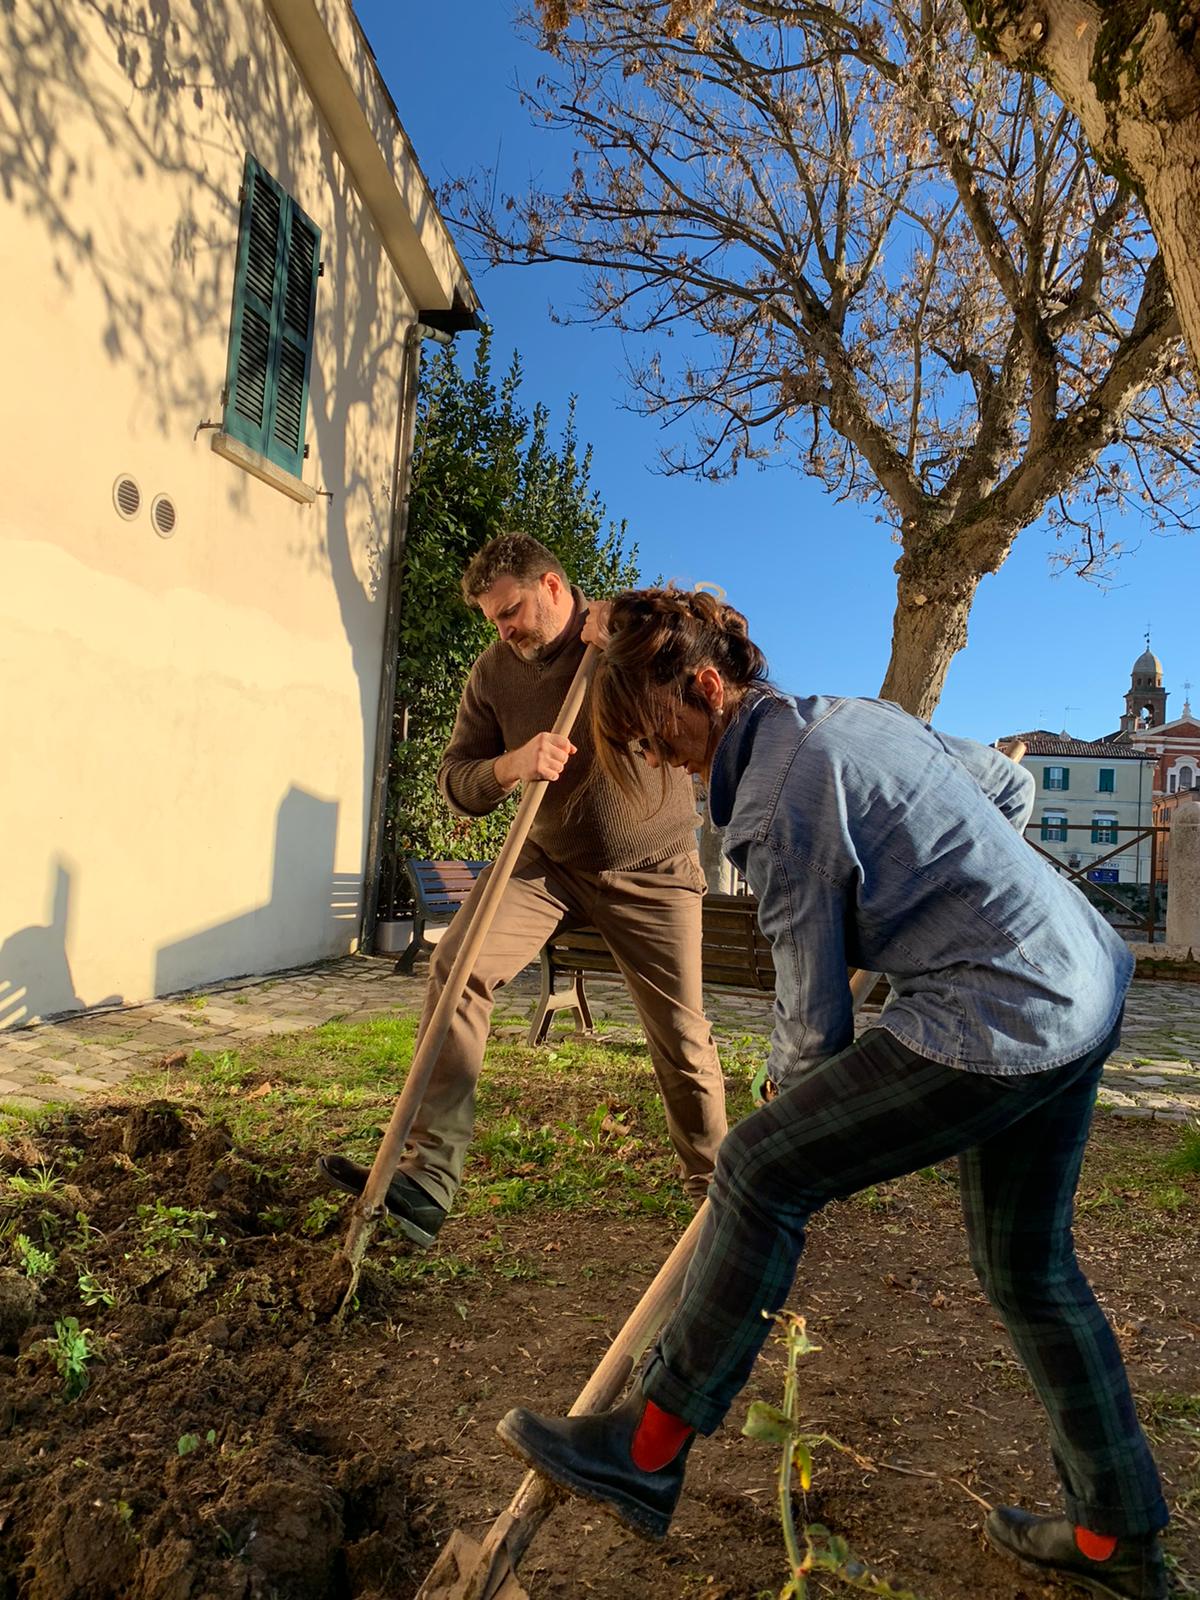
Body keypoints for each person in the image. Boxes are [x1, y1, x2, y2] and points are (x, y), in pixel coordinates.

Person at [497, 589, 1169, 1600]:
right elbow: (1009, 790)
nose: (664, 759)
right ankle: (1117, 1539)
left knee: (759, 1167)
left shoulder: (777, 803)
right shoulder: (857, 716)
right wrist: (932, 906)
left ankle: (644, 1448)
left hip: (1000, 1013)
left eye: (659, 733)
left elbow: (811, 1041)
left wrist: (826, 1053)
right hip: (1081, 978)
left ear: (708, 687)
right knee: (1029, 1269)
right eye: (638, 746)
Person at [320, 538, 728, 1245]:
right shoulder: (493, 674)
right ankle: (426, 1179)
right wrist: (511, 765)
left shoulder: (620, 633)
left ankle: (721, 1198)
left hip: (653, 870)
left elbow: (705, 648)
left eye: (511, 611)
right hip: (548, 864)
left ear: (553, 586)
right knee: (458, 969)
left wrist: (627, 625)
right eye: (493, 620)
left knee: (682, 1036)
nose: (504, 630)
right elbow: (456, 780)